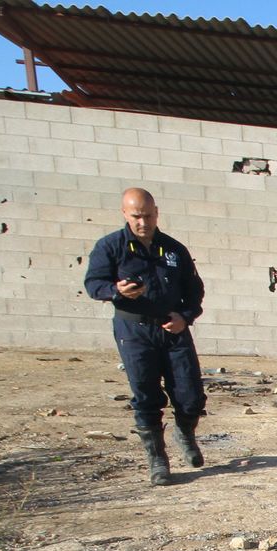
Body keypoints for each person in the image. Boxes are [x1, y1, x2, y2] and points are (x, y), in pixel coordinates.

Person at [83, 188, 207, 486]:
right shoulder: (111, 247)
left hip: (173, 328)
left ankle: (185, 433)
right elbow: (93, 284)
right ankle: (157, 459)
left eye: (148, 216)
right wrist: (116, 291)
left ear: (156, 213)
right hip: (134, 331)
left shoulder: (174, 249)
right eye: (137, 216)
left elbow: (194, 290)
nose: (143, 222)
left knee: (190, 396)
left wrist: (185, 316)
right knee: (146, 395)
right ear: (125, 214)